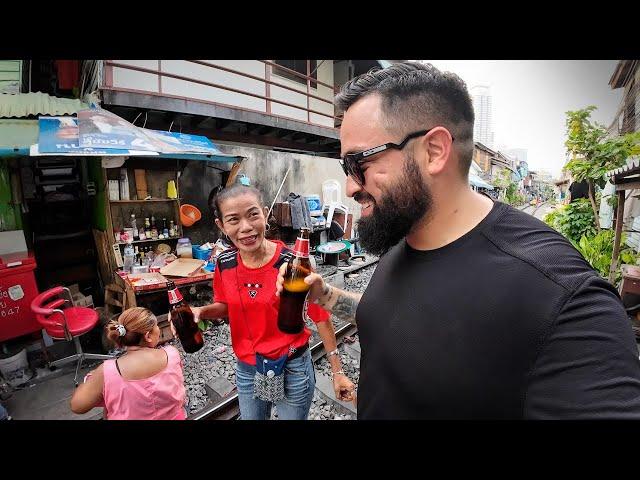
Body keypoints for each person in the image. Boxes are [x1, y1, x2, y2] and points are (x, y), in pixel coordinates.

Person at [277, 61, 640, 419]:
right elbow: (398, 318)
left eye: (360, 164)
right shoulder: (406, 236)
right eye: (346, 168)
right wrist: (324, 295)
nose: (350, 186)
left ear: (434, 151)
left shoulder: (562, 299)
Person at [182, 184, 355, 420]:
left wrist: (337, 372)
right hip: (248, 368)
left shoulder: (293, 265)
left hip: (293, 366)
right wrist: (200, 312)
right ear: (221, 226)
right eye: (233, 220)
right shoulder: (224, 263)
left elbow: (321, 318)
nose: (246, 227)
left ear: (265, 214)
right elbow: (226, 307)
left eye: (253, 215)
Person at [70, 307, 187, 420]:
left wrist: (94, 379)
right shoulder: (171, 354)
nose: (159, 329)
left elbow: (77, 406)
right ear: (148, 336)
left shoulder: (107, 371)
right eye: (156, 326)